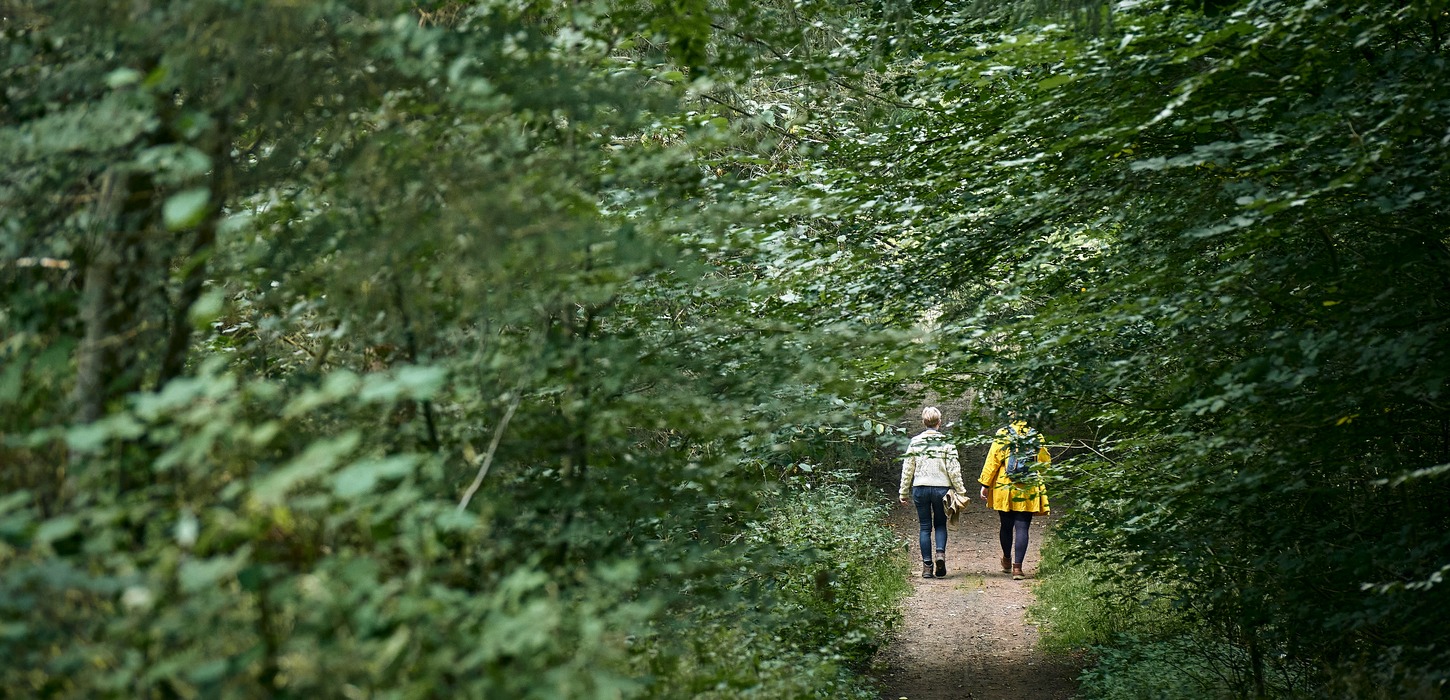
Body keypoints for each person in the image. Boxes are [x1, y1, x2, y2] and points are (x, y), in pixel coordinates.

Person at [898, 407, 967, 579]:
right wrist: (961, 490)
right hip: (941, 489)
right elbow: (954, 469)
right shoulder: (947, 442)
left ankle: (927, 567)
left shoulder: (915, 442)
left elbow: (908, 468)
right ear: (939, 422)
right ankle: (940, 555)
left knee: (924, 527)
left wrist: (903, 491)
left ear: (923, 422)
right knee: (941, 524)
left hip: (920, 488)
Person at [979, 415, 1050, 580]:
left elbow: (993, 461)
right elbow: (1045, 463)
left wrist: (985, 484)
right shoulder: (1036, 435)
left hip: (1005, 485)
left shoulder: (1003, 433)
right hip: (1028, 487)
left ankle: (1007, 560)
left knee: (1006, 525)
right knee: (1022, 527)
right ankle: (1018, 569)